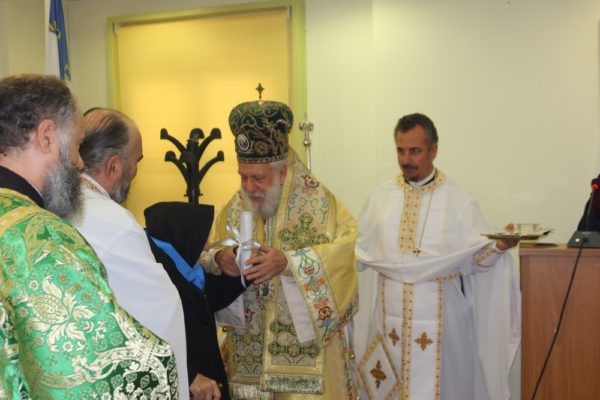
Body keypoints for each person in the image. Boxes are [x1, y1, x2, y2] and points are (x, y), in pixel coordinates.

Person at [0, 74, 178, 398]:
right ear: (47, 137)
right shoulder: (42, 238)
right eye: (77, 144)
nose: (80, 162)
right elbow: (90, 375)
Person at [201, 97, 360, 399]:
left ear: (283, 173)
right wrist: (220, 258)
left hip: (306, 364)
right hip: (249, 359)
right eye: (243, 176)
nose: (248, 188)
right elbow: (206, 252)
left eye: (258, 178)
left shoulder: (321, 205)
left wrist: (288, 263)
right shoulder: (235, 206)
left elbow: (344, 256)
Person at [355, 113, 520, 400]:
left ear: (433, 150)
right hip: (388, 322)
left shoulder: (458, 200)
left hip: (443, 324)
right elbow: (358, 252)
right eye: (400, 150)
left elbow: (475, 260)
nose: (406, 159)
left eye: (415, 151)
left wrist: (499, 246)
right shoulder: (380, 198)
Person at [74, 107, 189, 399]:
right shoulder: (114, 222)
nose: (136, 171)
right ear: (114, 166)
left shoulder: (50, 208)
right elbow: (162, 315)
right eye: (136, 161)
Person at [145, 201, 248, 400]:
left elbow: (212, 295)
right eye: (202, 238)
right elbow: (152, 338)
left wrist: (245, 262)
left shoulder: (182, 266)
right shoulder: (158, 276)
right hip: (189, 384)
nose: (207, 245)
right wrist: (190, 375)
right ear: (183, 235)